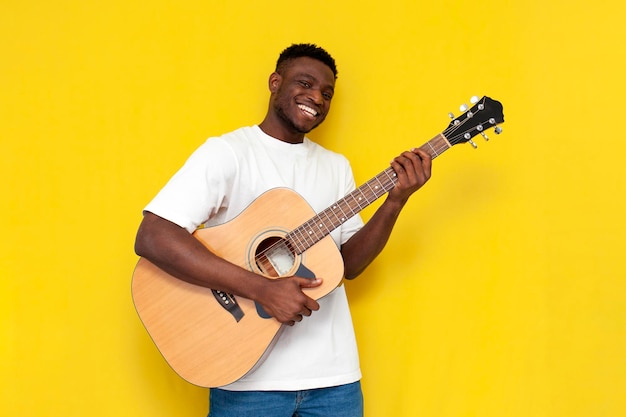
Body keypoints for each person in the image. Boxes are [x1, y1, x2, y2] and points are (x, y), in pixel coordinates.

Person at [134, 43, 432, 417]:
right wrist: (262, 289)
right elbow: (153, 235)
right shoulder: (228, 152)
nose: (316, 98)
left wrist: (395, 201)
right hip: (245, 381)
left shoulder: (336, 167)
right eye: (305, 84)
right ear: (275, 82)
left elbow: (347, 266)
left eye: (327, 94)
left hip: (333, 381)